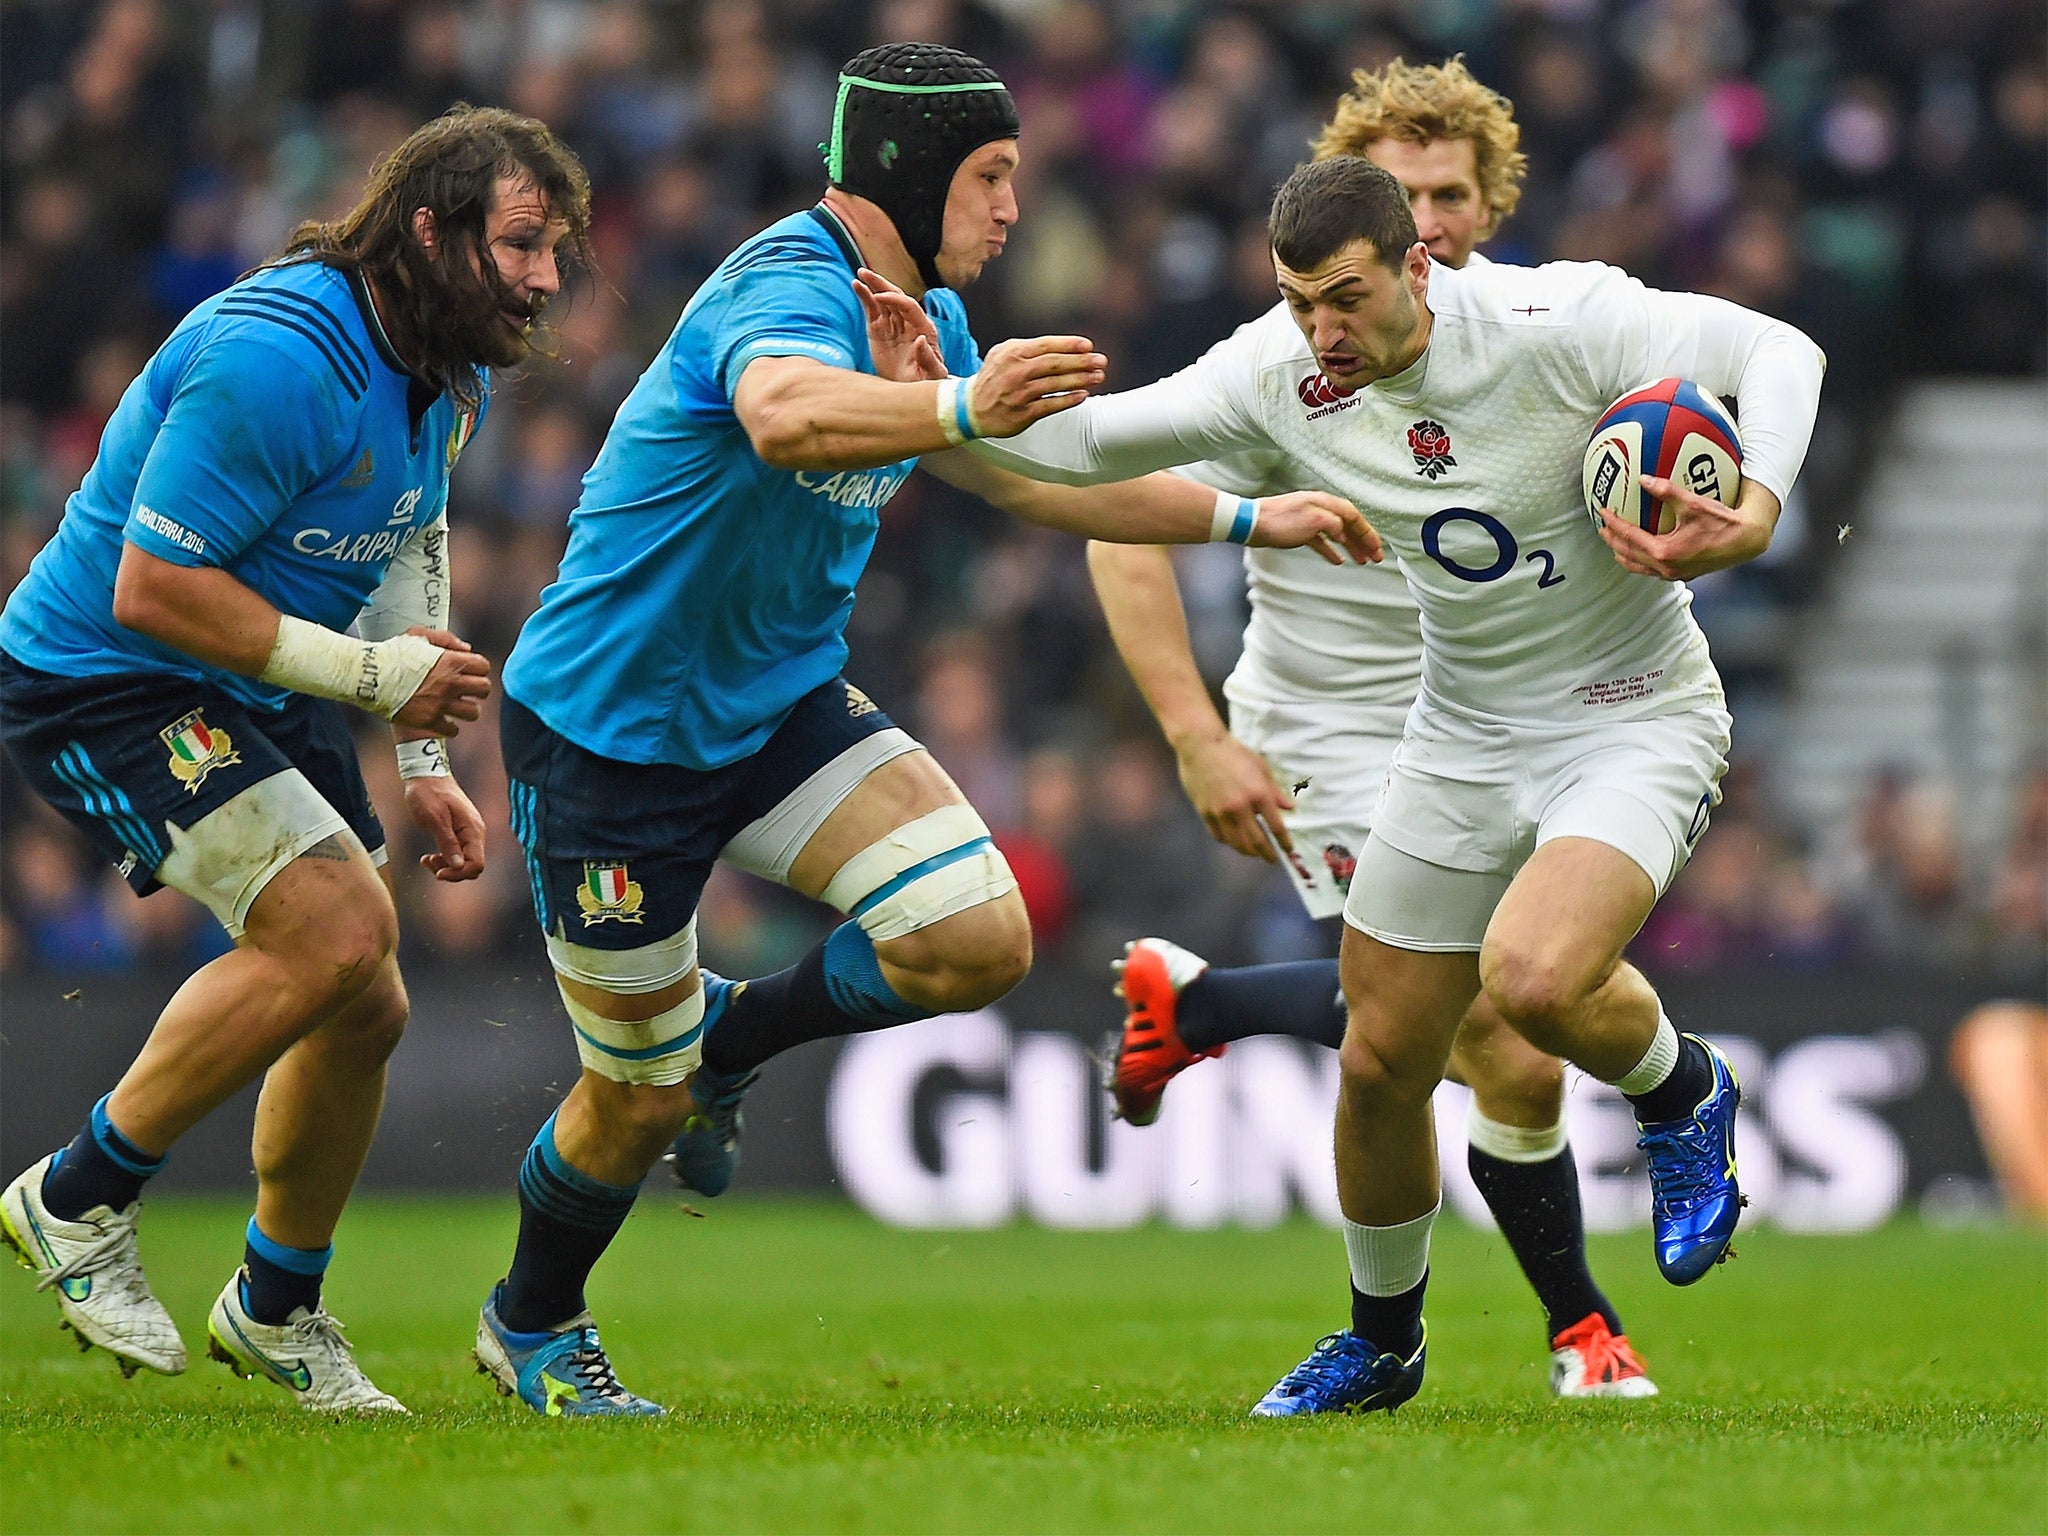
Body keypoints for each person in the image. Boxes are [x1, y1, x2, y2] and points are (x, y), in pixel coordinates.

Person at [472, 42, 1373, 1418]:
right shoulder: (784, 283)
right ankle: (530, 1321)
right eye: (993, 175)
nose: (1014, 207)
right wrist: (951, 401)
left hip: (774, 707)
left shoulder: (931, 322)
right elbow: (780, 417)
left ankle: (731, 1042)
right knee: (632, 1099)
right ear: (910, 170)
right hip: (611, 734)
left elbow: (1043, 484)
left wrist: (1255, 516)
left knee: (978, 936)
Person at [947, 153, 1826, 1414]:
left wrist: (1752, 507)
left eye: (1346, 297)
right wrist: (930, 402)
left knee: (1529, 979)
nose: (1323, 330)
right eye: (1301, 299)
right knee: (1377, 1062)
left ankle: (1682, 1093)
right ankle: (1382, 1342)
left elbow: (1781, 352)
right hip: (1457, 734)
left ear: (1420, 263)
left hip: (1629, 717)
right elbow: (1086, 454)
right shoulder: (1278, 372)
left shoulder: (1554, 320)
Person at [0, 105, 589, 1413]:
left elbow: (406, 541)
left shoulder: (447, 365)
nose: (548, 277)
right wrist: (380, 681)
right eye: (523, 244)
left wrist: (423, 755)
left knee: (365, 996)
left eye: (556, 248)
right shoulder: (279, 355)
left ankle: (275, 1303)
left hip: (261, 670)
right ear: (429, 234)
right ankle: (77, 1197)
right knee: (330, 935)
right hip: (108, 676)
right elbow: (154, 589)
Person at [1088, 58, 1657, 1399]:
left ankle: (1200, 1002)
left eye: (1450, 194)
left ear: (1483, 201)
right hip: (1330, 737)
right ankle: (1577, 1327)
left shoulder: (1531, 344)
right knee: (1487, 1034)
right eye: (1404, 194)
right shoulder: (1294, 367)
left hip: (1488, 729)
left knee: (1489, 1023)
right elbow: (1123, 524)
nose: (1433, 218)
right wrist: (1191, 732)